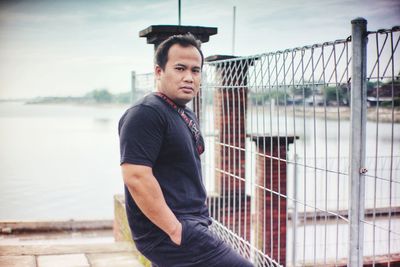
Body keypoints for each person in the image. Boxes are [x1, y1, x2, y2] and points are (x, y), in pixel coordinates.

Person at [118, 33, 253, 267]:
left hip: (190, 224)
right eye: (180, 69)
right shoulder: (146, 113)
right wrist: (174, 229)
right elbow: (136, 177)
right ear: (159, 71)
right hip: (169, 231)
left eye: (195, 70)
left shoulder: (183, 112)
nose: (189, 77)